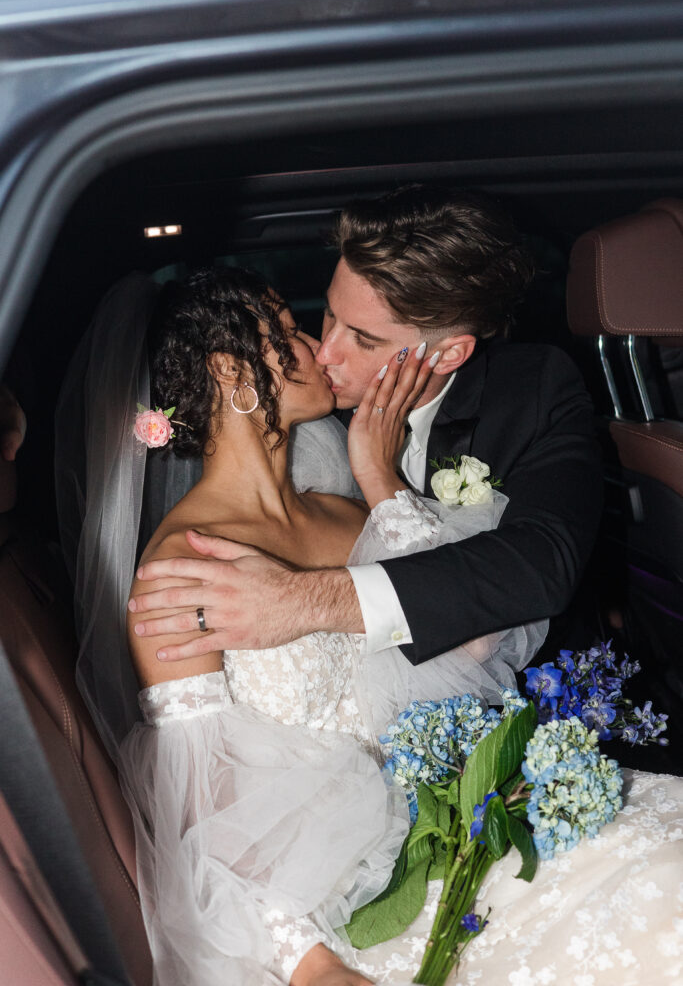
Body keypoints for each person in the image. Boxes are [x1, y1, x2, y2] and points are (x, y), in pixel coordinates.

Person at [57, 263, 682, 986]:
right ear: (232, 371)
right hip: (336, 894)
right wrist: (311, 966)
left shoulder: (341, 512)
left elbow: (478, 641)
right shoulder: (179, 572)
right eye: (287, 332)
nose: (316, 349)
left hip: (455, 815)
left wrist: (379, 478)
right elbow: (205, 825)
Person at [127, 187, 604, 677]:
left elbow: (539, 567)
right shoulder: (301, 411)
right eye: (330, 313)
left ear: (447, 354)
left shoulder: (532, 392)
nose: (324, 351)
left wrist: (309, 593)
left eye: (363, 338)